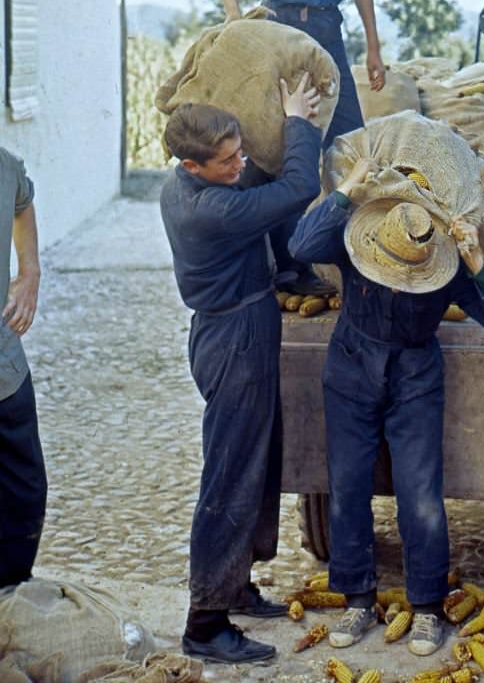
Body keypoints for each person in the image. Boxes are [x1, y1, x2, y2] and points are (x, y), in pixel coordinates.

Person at [288, 162, 484, 657]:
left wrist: (477, 261)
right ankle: (357, 598)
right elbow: (301, 246)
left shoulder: (447, 260)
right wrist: (347, 191)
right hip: (350, 367)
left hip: (416, 376)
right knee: (348, 487)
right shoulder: (355, 240)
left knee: (422, 497)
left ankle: (429, 608)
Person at [160, 75, 322, 663]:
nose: (240, 164)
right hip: (234, 337)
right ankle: (205, 622)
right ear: (193, 165)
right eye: (227, 161)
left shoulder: (185, 185)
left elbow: (256, 179)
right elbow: (301, 184)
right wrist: (297, 120)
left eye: (240, 152)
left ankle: (238, 584)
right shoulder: (212, 211)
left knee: (259, 460)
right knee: (230, 477)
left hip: (235, 328)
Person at [221, 0, 384, 294]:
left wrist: (373, 47)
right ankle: (291, 268)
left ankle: (362, 255)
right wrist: (235, 23)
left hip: (330, 34)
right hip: (282, 35)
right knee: (285, 150)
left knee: (352, 142)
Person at [0, 148, 45, 588]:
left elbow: (21, 201)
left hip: (5, 366)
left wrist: (29, 269)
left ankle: (11, 607)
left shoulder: (5, 164)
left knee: (25, 494)